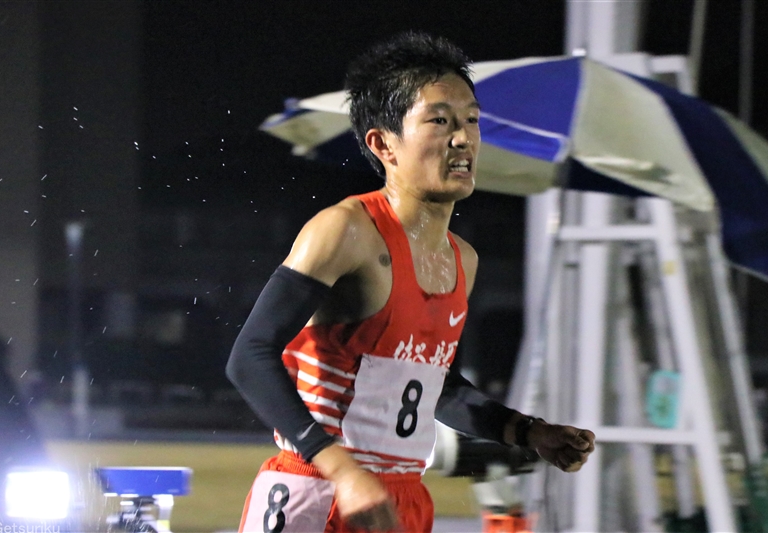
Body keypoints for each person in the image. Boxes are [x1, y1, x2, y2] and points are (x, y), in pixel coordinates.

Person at [226, 31, 595, 533]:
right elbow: (249, 357)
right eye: (440, 120)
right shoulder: (345, 230)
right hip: (320, 488)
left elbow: (435, 390)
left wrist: (528, 431)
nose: (463, 138)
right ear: (383, 144)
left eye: (471, 120)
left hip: (401, 498)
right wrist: (343, 471)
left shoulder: (462, 260)